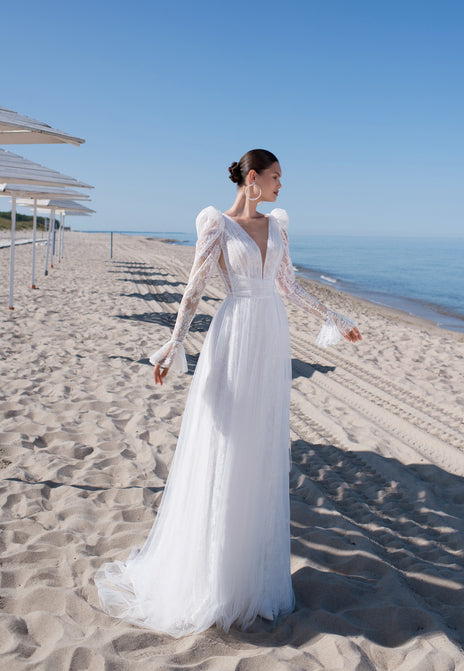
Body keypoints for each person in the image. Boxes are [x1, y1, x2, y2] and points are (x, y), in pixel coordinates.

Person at [94, 149, 362, 637]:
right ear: (252, 179)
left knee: (260, 450)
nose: (283, 186)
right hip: (233, 334)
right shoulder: (215, 223)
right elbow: (195, 287)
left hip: (269, 336)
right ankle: (213, 580)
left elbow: (288, 285)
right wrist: (173, 344)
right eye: (277, 177)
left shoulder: (278, 224)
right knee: (226, 447)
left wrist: (333, 319)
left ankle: (251, 577)